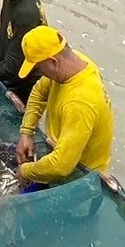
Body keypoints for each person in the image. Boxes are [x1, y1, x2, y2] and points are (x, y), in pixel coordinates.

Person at [14, 25, 114, 185]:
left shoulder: (80, 102)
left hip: (80, 177)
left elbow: (61, 166)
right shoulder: (75, 62)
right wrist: (26, 132)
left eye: (38, 68)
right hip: (61, 150)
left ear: (53, 62)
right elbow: (39, 93)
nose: (39, 73)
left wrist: (26, 170)